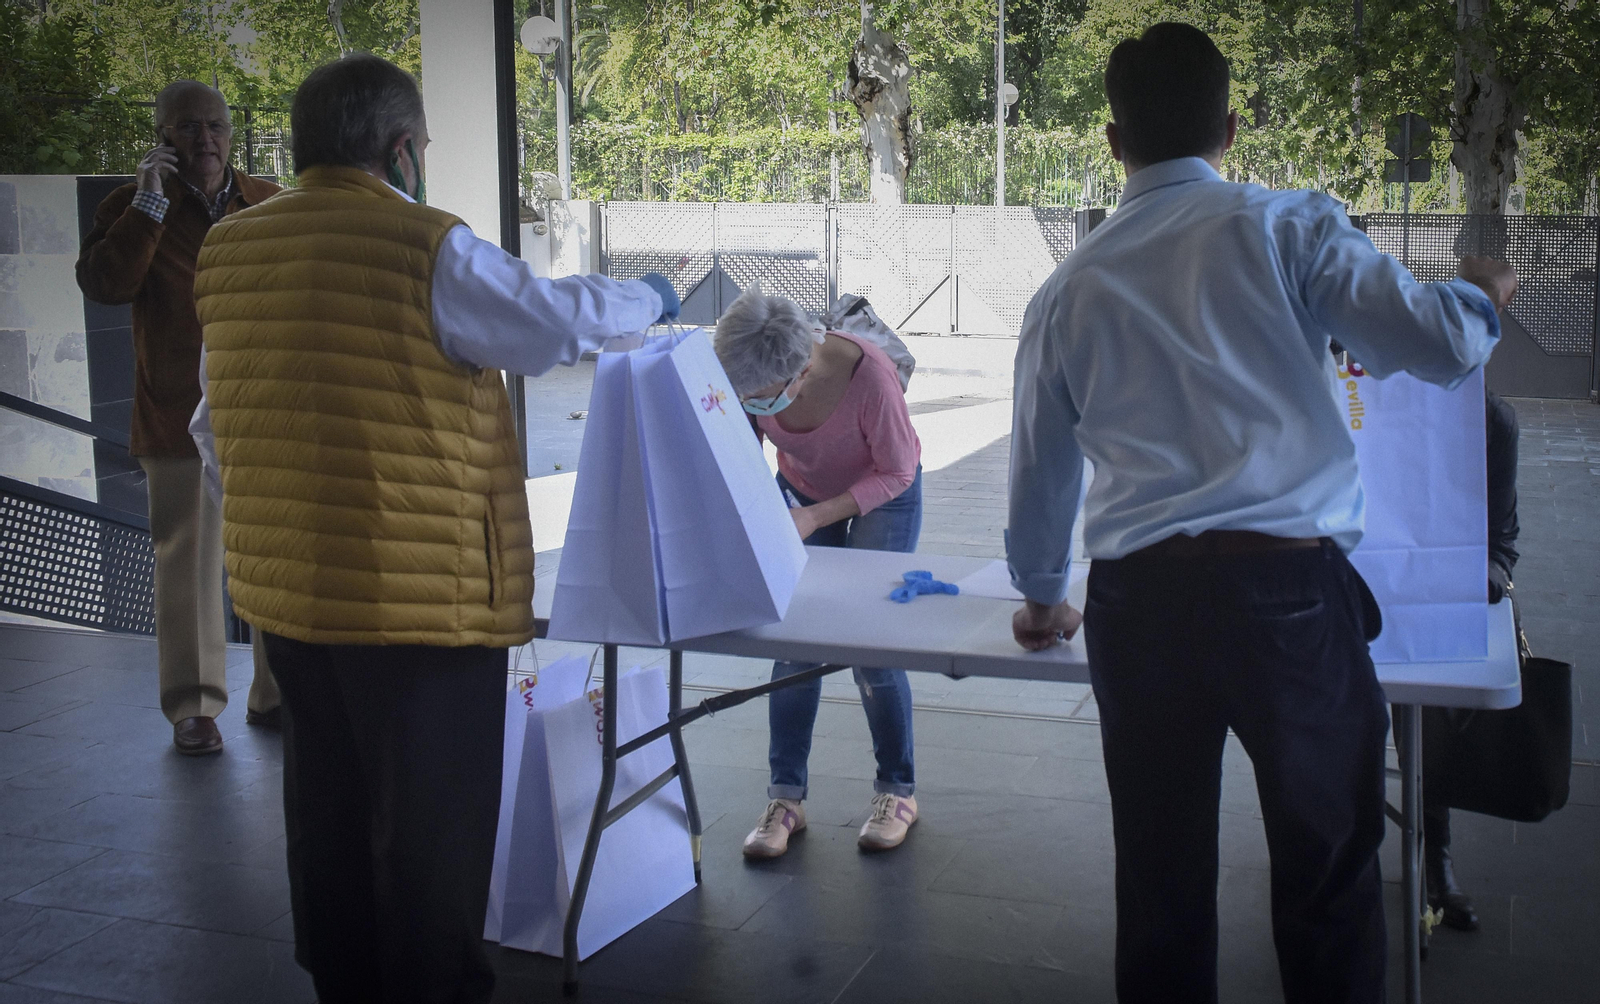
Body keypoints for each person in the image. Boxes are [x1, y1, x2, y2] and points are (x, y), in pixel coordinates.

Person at [1005, 23, 1516, 1004]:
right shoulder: (1290, 226)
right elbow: (1436, 342)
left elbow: (1041, 467)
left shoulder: (1066, 288)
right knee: (1326, 877)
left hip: (1137, 605)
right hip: (1285, 596)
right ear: (1230, 127)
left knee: (1159, 885)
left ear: (1114, 143)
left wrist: (1039, 593)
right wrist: (1481, 297)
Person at [188, 53, 678, 1003]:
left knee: (324, 806)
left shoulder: (232, 249)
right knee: (431, 829)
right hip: (421, 611)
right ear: (403, 149)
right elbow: (549, 322)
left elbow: (215, 424)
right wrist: (648, 297)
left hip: (289, 597)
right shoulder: (423, 244)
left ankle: (344, 983)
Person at [76, 80, 282, 756]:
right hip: (174, 412)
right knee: (186, 560)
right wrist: (148, 205)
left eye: (216, 126)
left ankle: (278, 694)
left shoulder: (266, 203)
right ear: (161, 138)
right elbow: (108, 285)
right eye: (188, 128)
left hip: (258, 409)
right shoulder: (130, 208)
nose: (205, 140)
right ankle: (194, 707)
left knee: (275, 553)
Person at [712, 284, 923, 858]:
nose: (751, 403)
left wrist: (813, 519)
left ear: (801, 370)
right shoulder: (751, 376)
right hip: (800, 491)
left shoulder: (869, 378)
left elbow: (898, 472)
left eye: (760, 397)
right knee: (794, 640)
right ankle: (786, 798)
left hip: (881, 490)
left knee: (869, 643)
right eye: (742, 394)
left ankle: (897, 790)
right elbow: (741, 451)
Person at [1423, 388, 1520, 931]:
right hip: (1362, 586)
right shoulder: (1359, 402)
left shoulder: (1491, 421)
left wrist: (1477, 582)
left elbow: (1501, 543)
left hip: (1448, 594)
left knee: (1435, 706)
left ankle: (1435, 857)